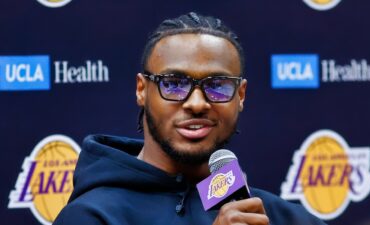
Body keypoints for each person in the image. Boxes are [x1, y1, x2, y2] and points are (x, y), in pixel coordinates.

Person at [54, 12, 326, 225]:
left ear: (241, 95)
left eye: (218, 85)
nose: (197, 103)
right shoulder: (91, 216)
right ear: (141, 90)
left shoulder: (279, 216)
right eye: (173, 83)